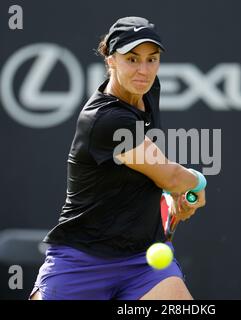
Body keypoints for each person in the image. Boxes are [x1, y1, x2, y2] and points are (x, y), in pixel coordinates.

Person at [29, 16, 206, 300]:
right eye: (132, 59)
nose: (144, 70)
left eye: (152, 59)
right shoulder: (106, 119)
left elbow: (151, 166)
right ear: (111, 60)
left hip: (144, 260)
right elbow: (171, 175)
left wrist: (171, 192)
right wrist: (196, 182)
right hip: (82, 259)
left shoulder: (147, 90)